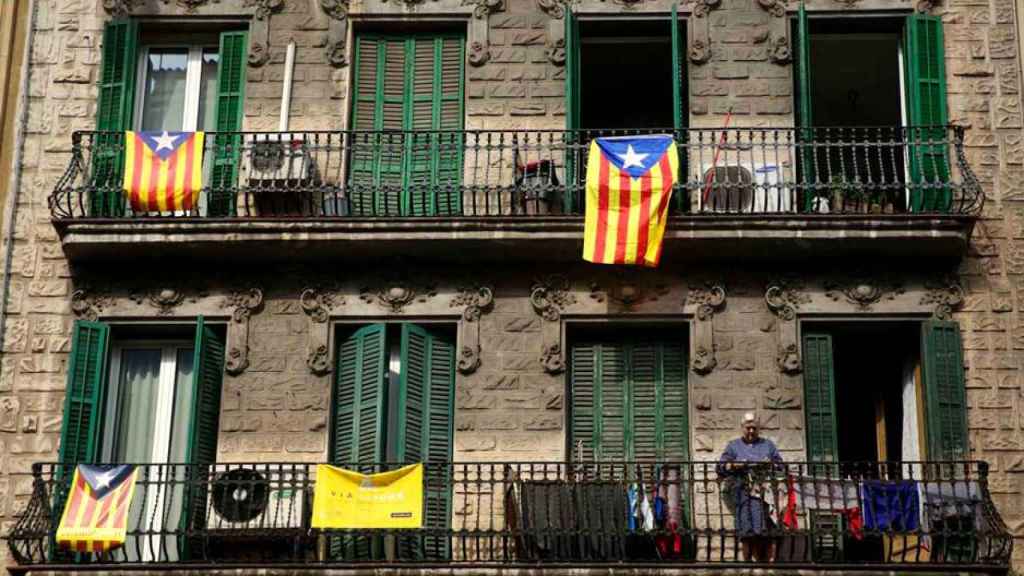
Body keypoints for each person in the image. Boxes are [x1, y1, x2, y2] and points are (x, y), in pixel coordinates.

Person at [718, 412, 784, 562]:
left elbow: (781, 467)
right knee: (746, 527)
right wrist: (735, 464)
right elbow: (721, 467)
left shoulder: (768, 445)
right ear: (742, 428)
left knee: (767, 528)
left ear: (758, 428)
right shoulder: (733, 446)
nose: (751, 431)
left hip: (766, 494)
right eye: (748, 428)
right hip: (742, 492)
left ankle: (769, 562)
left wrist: (771, 464)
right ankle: (749, 563)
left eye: (754, 428)